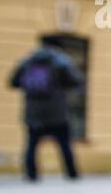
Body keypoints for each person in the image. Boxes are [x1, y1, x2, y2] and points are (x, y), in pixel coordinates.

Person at [9, 36, 82, 181]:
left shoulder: (27, 62)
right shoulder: (61, 62)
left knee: (31, 145)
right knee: (65, 145)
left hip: (33, 111)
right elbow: (75, 81)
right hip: (57, 111)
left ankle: (31, 174)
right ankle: (72, 173)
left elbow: (13, 82)